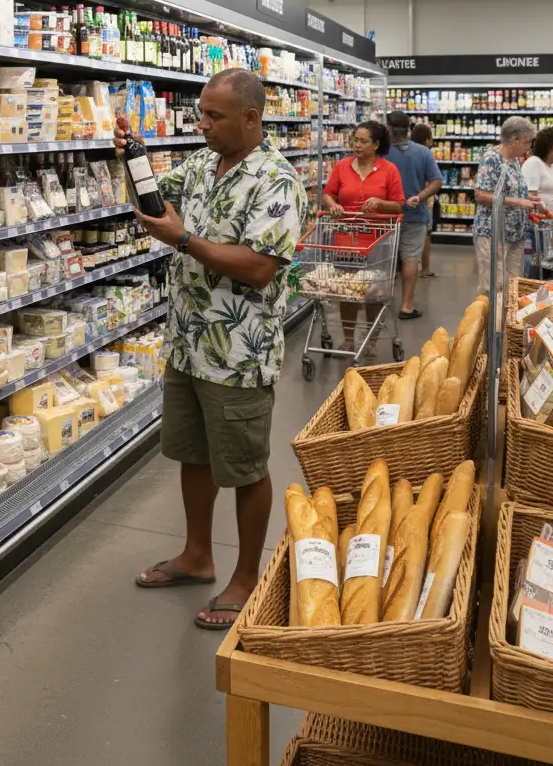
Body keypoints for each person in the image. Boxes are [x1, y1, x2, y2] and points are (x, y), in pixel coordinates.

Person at [122, 68, 307, 632]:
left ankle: (246, 575)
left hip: (239, 352)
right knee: (193, 454)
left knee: (246, 466)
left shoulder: (278, 180)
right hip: (187, 341)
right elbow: (153, 199)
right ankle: (197, 555)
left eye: (214, 116)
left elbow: (257, 267)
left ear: (251, 118)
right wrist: (133, 156)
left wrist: (181, 239)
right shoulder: (203, 163)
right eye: (201, 113)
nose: (202, 124)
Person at [321, 120, 405, 357]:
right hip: (345, 240)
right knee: (347, 291)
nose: (357, 145)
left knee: (374, 291)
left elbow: (398, 205)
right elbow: (328, 194)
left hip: (377, 242)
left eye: (363, 141)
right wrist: (334, 205)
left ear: (376, 144)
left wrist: (380, 204)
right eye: (355, 140)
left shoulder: (389, 170)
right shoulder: (342, 166)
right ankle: (348, 339)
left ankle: (371, 339)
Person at [474, 116, 545, 298]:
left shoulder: (514, 161)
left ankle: (507, 325)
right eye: (527, 142)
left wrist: (533, 200)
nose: (529, 147)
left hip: (515, 234)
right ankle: (491, 326)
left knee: (514, 287)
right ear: (515, 140)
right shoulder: (492, 159)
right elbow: (481, 195)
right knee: (493, 286)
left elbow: (516, 192)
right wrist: (518, 202)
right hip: (493, 233)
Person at [386, 111, 442, 319]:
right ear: (409, 129)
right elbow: (436, 182)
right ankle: (407, 306)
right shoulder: (423, 152)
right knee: (411, 259)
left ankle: (380, 299)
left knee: (384, 259)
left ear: (388, 129)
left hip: (385, 216)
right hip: (415, 214)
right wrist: (419, 197)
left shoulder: (379, 152)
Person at [412, 123, 438, 277]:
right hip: (424, 198)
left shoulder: (408, 152)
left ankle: (404, 267)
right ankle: (425, 268)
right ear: (427, 139)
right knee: (426, 233)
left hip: (407, 198)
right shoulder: (426, 154)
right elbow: (432, 180)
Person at [522, 127, 553, 211]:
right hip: (540, 220)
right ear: (549, 147)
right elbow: (529, 198)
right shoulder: (534, 163)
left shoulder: (551, 165)